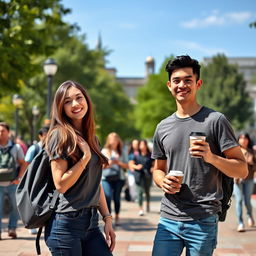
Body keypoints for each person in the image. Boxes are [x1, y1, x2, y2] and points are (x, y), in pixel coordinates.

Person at [151, 55, 248, 256]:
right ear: (169, 85)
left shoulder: (216, 121)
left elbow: (242, 168)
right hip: (168, 218)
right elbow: (158, 170)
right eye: (176, 81)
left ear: (198, 83)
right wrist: (163, 182)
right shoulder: (162, 127)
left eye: (188, 80)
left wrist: (212, 157)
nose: (182, 85)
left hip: (203, 219)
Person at [44, 80, 115, 255]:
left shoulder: (92, 138)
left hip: (91, 224)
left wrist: (107, 218)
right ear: (61, 107)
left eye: (79, 97)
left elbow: (95, 183)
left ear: (87, 100)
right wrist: (85, 158)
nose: (75, 104)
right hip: (66, 225)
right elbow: (60, 184)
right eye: (67, 101)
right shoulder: (59, 136)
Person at [0, 122, 27, 240]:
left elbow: (23, 163)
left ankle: (12, 228)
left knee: (15, 208)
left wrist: (19, 178)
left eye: (2, 131)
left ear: (8, 132)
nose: (0, 133)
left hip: (12, 183)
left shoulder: (16, 147)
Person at [24, 126, 50, 234]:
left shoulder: (52, 147)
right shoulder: (34, 148)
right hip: (34, 180)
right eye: (46, 135)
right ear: (40, 136)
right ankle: (33, 224)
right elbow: (27, 163)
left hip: (47, 180)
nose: (48, 137)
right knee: (33, 201)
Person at [101, 132, 128, 226]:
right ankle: (109, 218)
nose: (113, 143)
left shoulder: (122, 151)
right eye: (111, 141)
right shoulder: (104, 151)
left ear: (118, 141)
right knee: (107, 197)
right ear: (108, 141)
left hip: (119, 178)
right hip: (106, 178)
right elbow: (100, 166)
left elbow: (127, 166)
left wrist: (118, 163)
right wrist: (109, 163)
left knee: (117, 198)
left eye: (115, 141)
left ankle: (117, 217)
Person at [234, 133, 255, 232]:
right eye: (241, 138)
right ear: (238, 140)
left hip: (249, 179)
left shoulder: (252, 151)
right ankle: (240, 223)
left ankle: (250, 216)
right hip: (237, 179)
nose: (243, 140)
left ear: (248, 140)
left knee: (247, 201)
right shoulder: (235, 151)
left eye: (245, 138)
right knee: (238, 200)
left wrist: (252, 163)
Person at [129, 139, 153, 216]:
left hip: (148, 175)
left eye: (143, 144)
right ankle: (141, 209)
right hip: (139, 176)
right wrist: (136, 167)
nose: (142, 146)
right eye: (140, 145)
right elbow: (130, 164)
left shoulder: (150, 155)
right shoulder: (136, 155)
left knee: (147, 192)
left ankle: (148, 204)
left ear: (146, 146)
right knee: (139, 192)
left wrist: (153, 168)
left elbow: (154, 164)